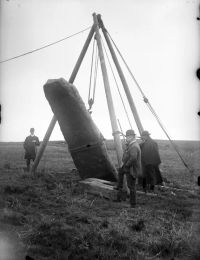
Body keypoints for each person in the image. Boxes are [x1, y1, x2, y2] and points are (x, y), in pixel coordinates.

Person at [116, 129, 141, 208]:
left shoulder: (134, 146)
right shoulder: (130, 144)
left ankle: (133, 204)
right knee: (120, 171)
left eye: (129, 136)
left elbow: (133, 158)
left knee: (131, 186)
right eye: (127, 136)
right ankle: (119, 187)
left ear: (133, 137)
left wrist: (126, 165)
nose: (127, 138)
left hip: (131, 168)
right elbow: (128, 154)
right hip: (127, 166)